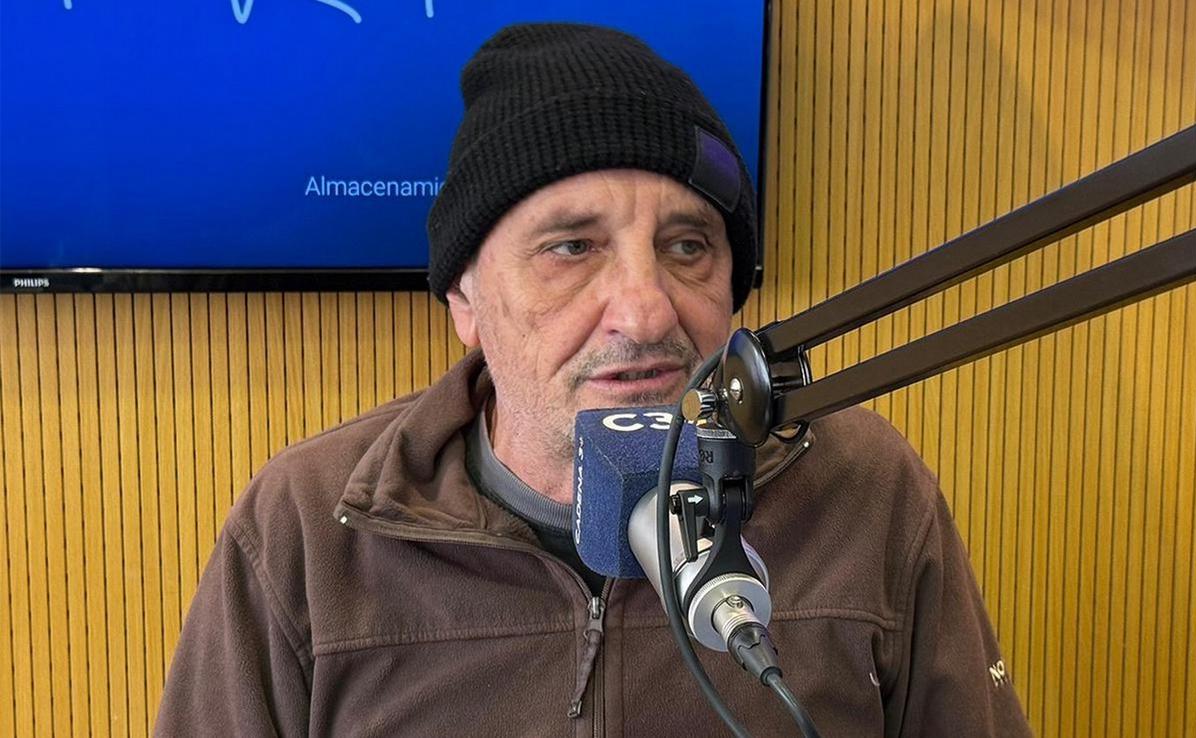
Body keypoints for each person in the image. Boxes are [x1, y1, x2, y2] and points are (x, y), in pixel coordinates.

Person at [157, 23, 1031, 736]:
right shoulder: (309, 526)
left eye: (688, 246)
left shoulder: (865, 490)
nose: (645, 313)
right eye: (572, 247)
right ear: (465, 298)